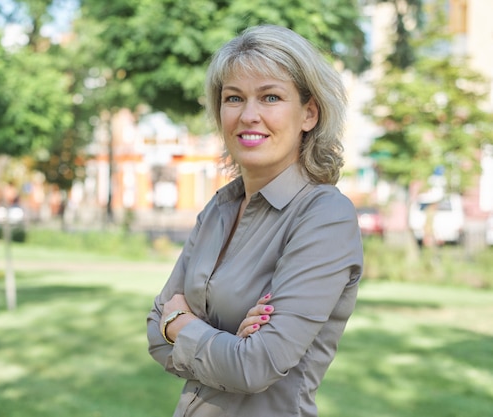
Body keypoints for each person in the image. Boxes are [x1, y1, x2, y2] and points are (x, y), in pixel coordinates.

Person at [146, 24, 363, 417]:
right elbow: (153, 332)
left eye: (270, 97)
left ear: (308, 113)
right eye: (234, 98)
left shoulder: (324, 216)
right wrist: (223, 344)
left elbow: (254, 366)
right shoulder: (219, 207)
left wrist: (180, 325)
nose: (249, 115)